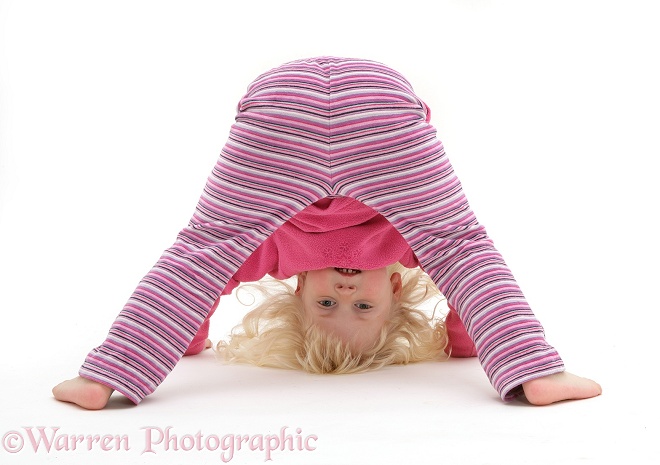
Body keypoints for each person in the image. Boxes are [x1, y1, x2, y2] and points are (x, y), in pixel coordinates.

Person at [52, 56, 601, 410]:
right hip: (380, 116)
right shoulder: (405, 247)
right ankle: (536, 372)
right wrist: (465, 341)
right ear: (396, 288)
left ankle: (108, 376)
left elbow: (194, 284)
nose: (344, 296)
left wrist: (191, 340)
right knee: (458, 245)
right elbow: (466, 279)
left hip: (278, 119)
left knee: (206, 249)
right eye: (363, 310)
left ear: (297, 287)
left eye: (325, 306)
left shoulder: (272, 250)